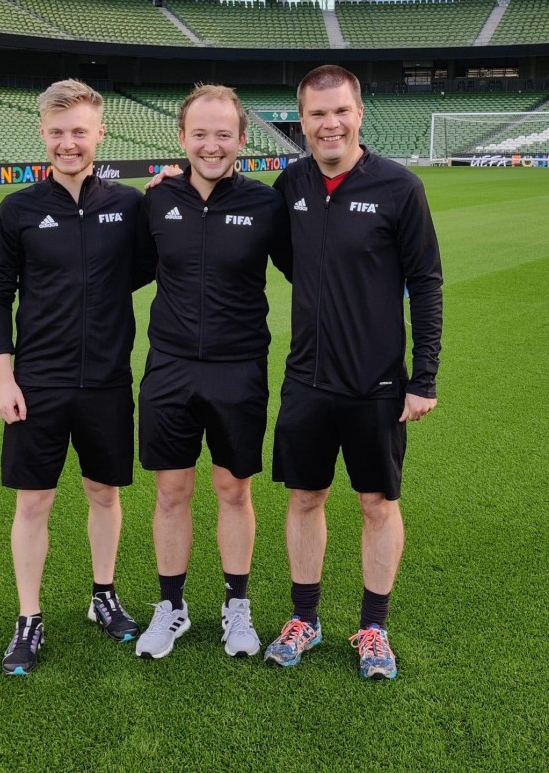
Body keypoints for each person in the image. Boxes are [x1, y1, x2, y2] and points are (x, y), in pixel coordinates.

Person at [263, 64, 442, 679]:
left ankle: (373, 627)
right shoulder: (291, 185)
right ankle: (304, 618)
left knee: (377, 503)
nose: (329, 123)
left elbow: (425, 282)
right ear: (302, 120)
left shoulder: (399, 187)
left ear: (359, 113)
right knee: (305, 497)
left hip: (377, 385)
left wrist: (424, 377)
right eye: (317, 114)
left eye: (340, 111)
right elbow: (289, 257)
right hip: (307, 381)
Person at [0, 79, 148, 675]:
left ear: (99, 132)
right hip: (39, 382)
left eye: (79, 131)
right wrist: (6, 379)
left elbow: (151, 263)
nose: (68, 142)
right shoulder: (19, 210)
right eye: (57, 132)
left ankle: (102, 595)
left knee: (104, 493)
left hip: (106, 380)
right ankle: (29, 618)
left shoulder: (129, 205)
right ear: (43, 135)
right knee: (35, 502)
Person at [134, 84, 292, 660]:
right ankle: (171, 608)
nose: (211, 144)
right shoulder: (155, 200)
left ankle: (237, 607)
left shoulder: (265, 205)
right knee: (172, 492)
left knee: (233, 489)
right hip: (169, 368)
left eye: (223, 133)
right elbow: (120, 272)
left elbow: (313, 271)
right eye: (200, 133)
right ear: (182, 138)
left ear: (242, 140)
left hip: (238, 370)